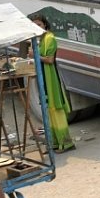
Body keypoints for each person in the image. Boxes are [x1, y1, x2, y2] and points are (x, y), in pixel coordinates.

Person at [29, 14, 75, 154]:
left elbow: (49, 59)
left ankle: (66, 143)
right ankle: (55, 143)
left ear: (45, 25)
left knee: (56, 110)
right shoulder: (40, 40)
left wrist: (34, 55)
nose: (37, 27)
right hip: (43, 78)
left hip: (51, 79)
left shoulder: (50, 39)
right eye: (34, 25)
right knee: (49, 111)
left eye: (39, 25)